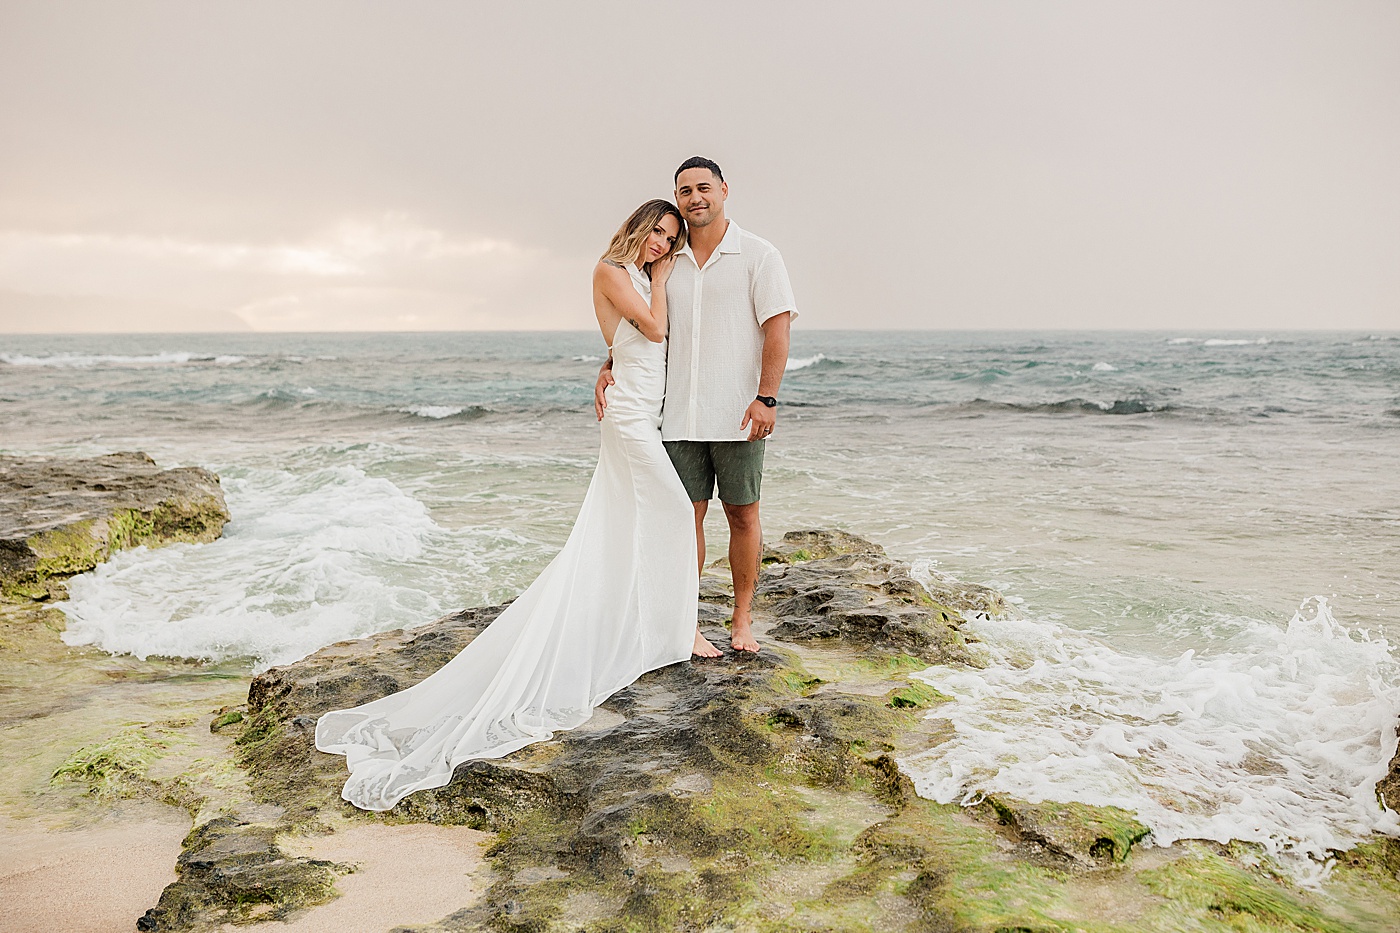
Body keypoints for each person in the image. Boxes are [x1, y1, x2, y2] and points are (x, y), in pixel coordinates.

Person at [316, 199, 714, 812]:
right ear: (637, 227)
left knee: (640, 524)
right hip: (631, 419)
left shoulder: (636, 275)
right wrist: (658, 286)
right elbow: (654, 331)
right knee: (667, 513)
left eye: (670, 238)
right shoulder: (612, 268)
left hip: (643, 408)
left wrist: (611, 359)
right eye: (656, 232)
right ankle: (676, 627)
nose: (661, 244)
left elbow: (628, 344)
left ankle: (658, 623)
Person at [596, 156, 797, 653]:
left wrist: (767, 397)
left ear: (725, 189)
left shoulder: (759, 254)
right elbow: (636, 324)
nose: (694, 198)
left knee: (743, 515)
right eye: (684, 191)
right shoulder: (663, 259)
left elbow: (778, 328)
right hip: (676, 415)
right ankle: (685, 621)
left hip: (738, 413)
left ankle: (742, 620)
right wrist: (609, 363)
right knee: (684, 519)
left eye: (703, 188)